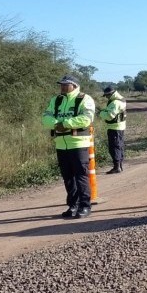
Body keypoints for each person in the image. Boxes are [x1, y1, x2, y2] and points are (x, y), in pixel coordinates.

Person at [41, 74, 96, 219]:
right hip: (61, 144)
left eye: (67, 84)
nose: (63, 87)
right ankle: (73, 205)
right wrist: (55, 124)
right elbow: (45, 118)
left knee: (80, 176)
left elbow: (86, 119)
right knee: (68, 178)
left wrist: (64, 124)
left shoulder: (85, 99)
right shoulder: (56, 100)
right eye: (61, 84)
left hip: (78, 143)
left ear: (75, 86)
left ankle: (85, 206)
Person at [98, 84, 127, 174]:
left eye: (106, 95)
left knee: (114, 147)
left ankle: (116, 167)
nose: (106, 97)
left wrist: (101, 113)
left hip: (115, 128)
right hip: (119, 127)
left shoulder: (115, 102)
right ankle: (119, 166)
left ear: (110, 94)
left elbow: (110, 116)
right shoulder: (121, 99)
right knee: (119, 146)